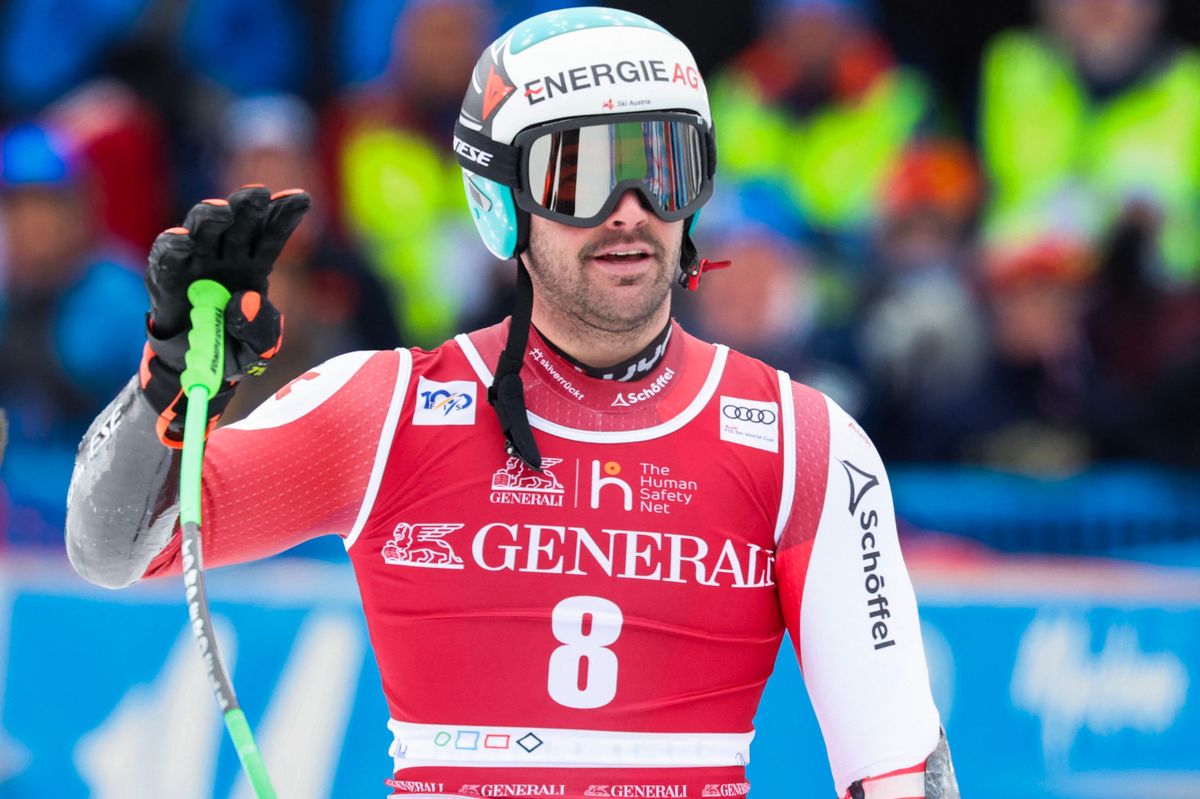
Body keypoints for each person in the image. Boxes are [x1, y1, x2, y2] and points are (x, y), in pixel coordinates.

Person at [65, 8, 959, 798]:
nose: (631, 210)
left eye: (664, 166)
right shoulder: (388, 411)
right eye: (581, 174)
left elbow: (897, 766)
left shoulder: (801, 444)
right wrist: (168, 381)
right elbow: (109, 549)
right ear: (499, 203)